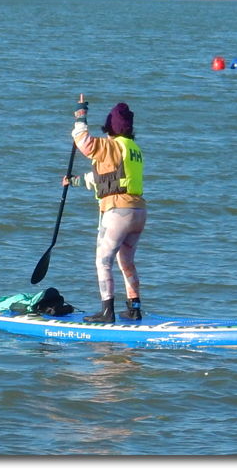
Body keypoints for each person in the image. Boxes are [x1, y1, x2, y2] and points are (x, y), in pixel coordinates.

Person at [62, 96, 147, 323]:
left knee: (103, 261)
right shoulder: (133, 149)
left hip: (118, 212)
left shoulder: (111, 145)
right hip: (138, 211)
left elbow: (83, 141)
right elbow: (109, 177)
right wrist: (76, 181)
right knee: (126, 261)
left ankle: (107, 312)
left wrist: (80, 116)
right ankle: (134, 308)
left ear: (111, 128)